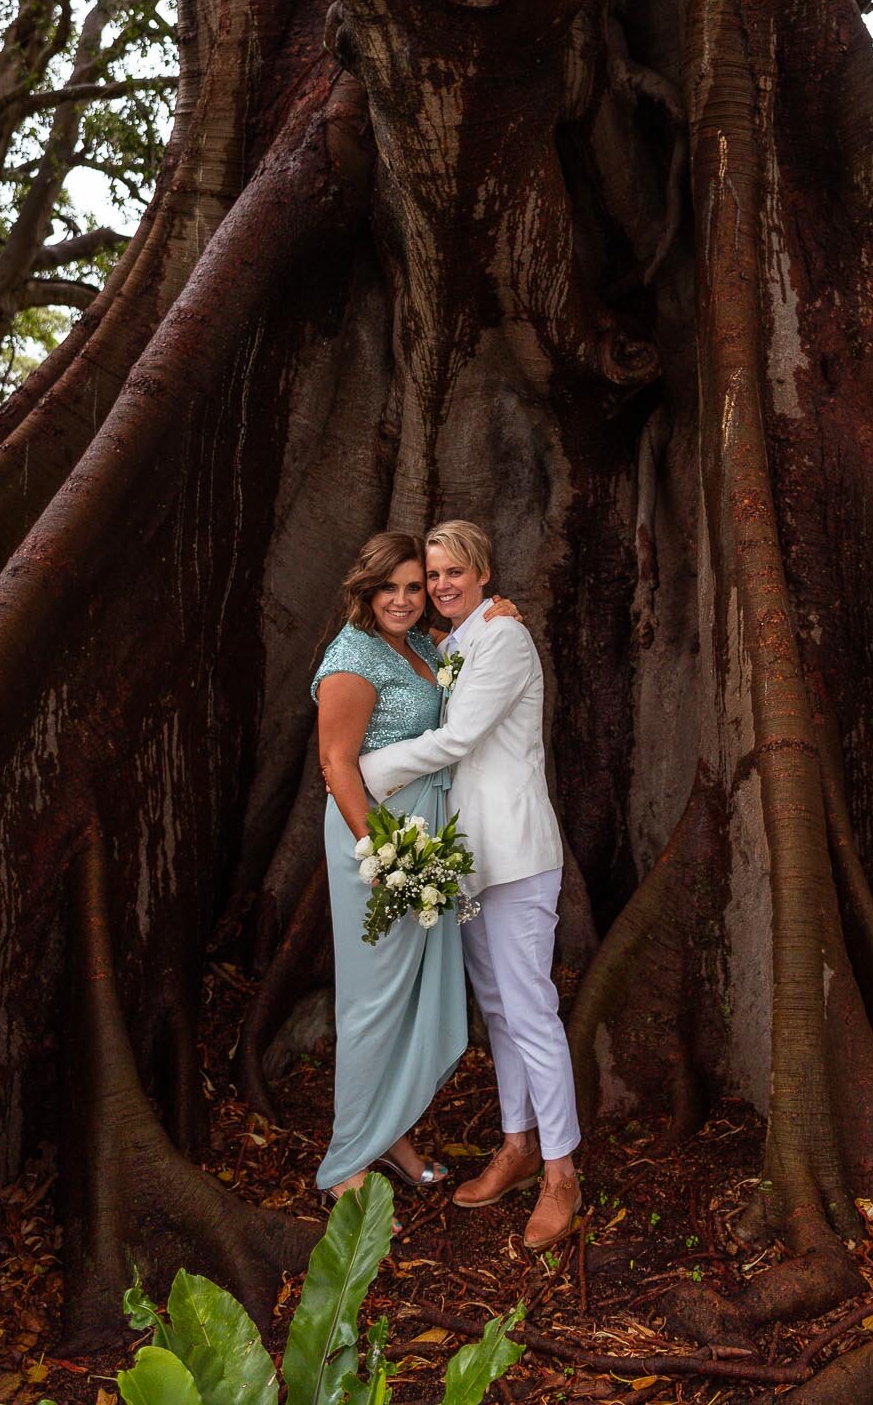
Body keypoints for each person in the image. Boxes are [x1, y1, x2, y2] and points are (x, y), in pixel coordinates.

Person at [358, 519, 582, 1254]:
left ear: (483, 574)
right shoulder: (449, 644)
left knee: (530, 1010)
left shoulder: (505, 640)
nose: (444, 585)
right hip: (467, 860)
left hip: (515, 852)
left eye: (456, 572)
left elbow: (459, 739)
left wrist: (370, 772)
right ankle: (516, 1147)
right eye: (434, 576)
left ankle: (560, 1173)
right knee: (498, 1009)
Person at [311, 529, 519, 1209]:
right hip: (375, 842)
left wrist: (497, 612)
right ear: (365, 591)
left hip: (427, 839)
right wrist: (381, 849)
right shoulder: (351, 658)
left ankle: (391, 1136)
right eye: (389, 588)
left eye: (413, 586)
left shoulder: (423, 646)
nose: (404, 599)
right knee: (373, 1001)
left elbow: (471, 662)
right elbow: (336, 764)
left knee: (413, 999)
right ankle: (346, 1163)